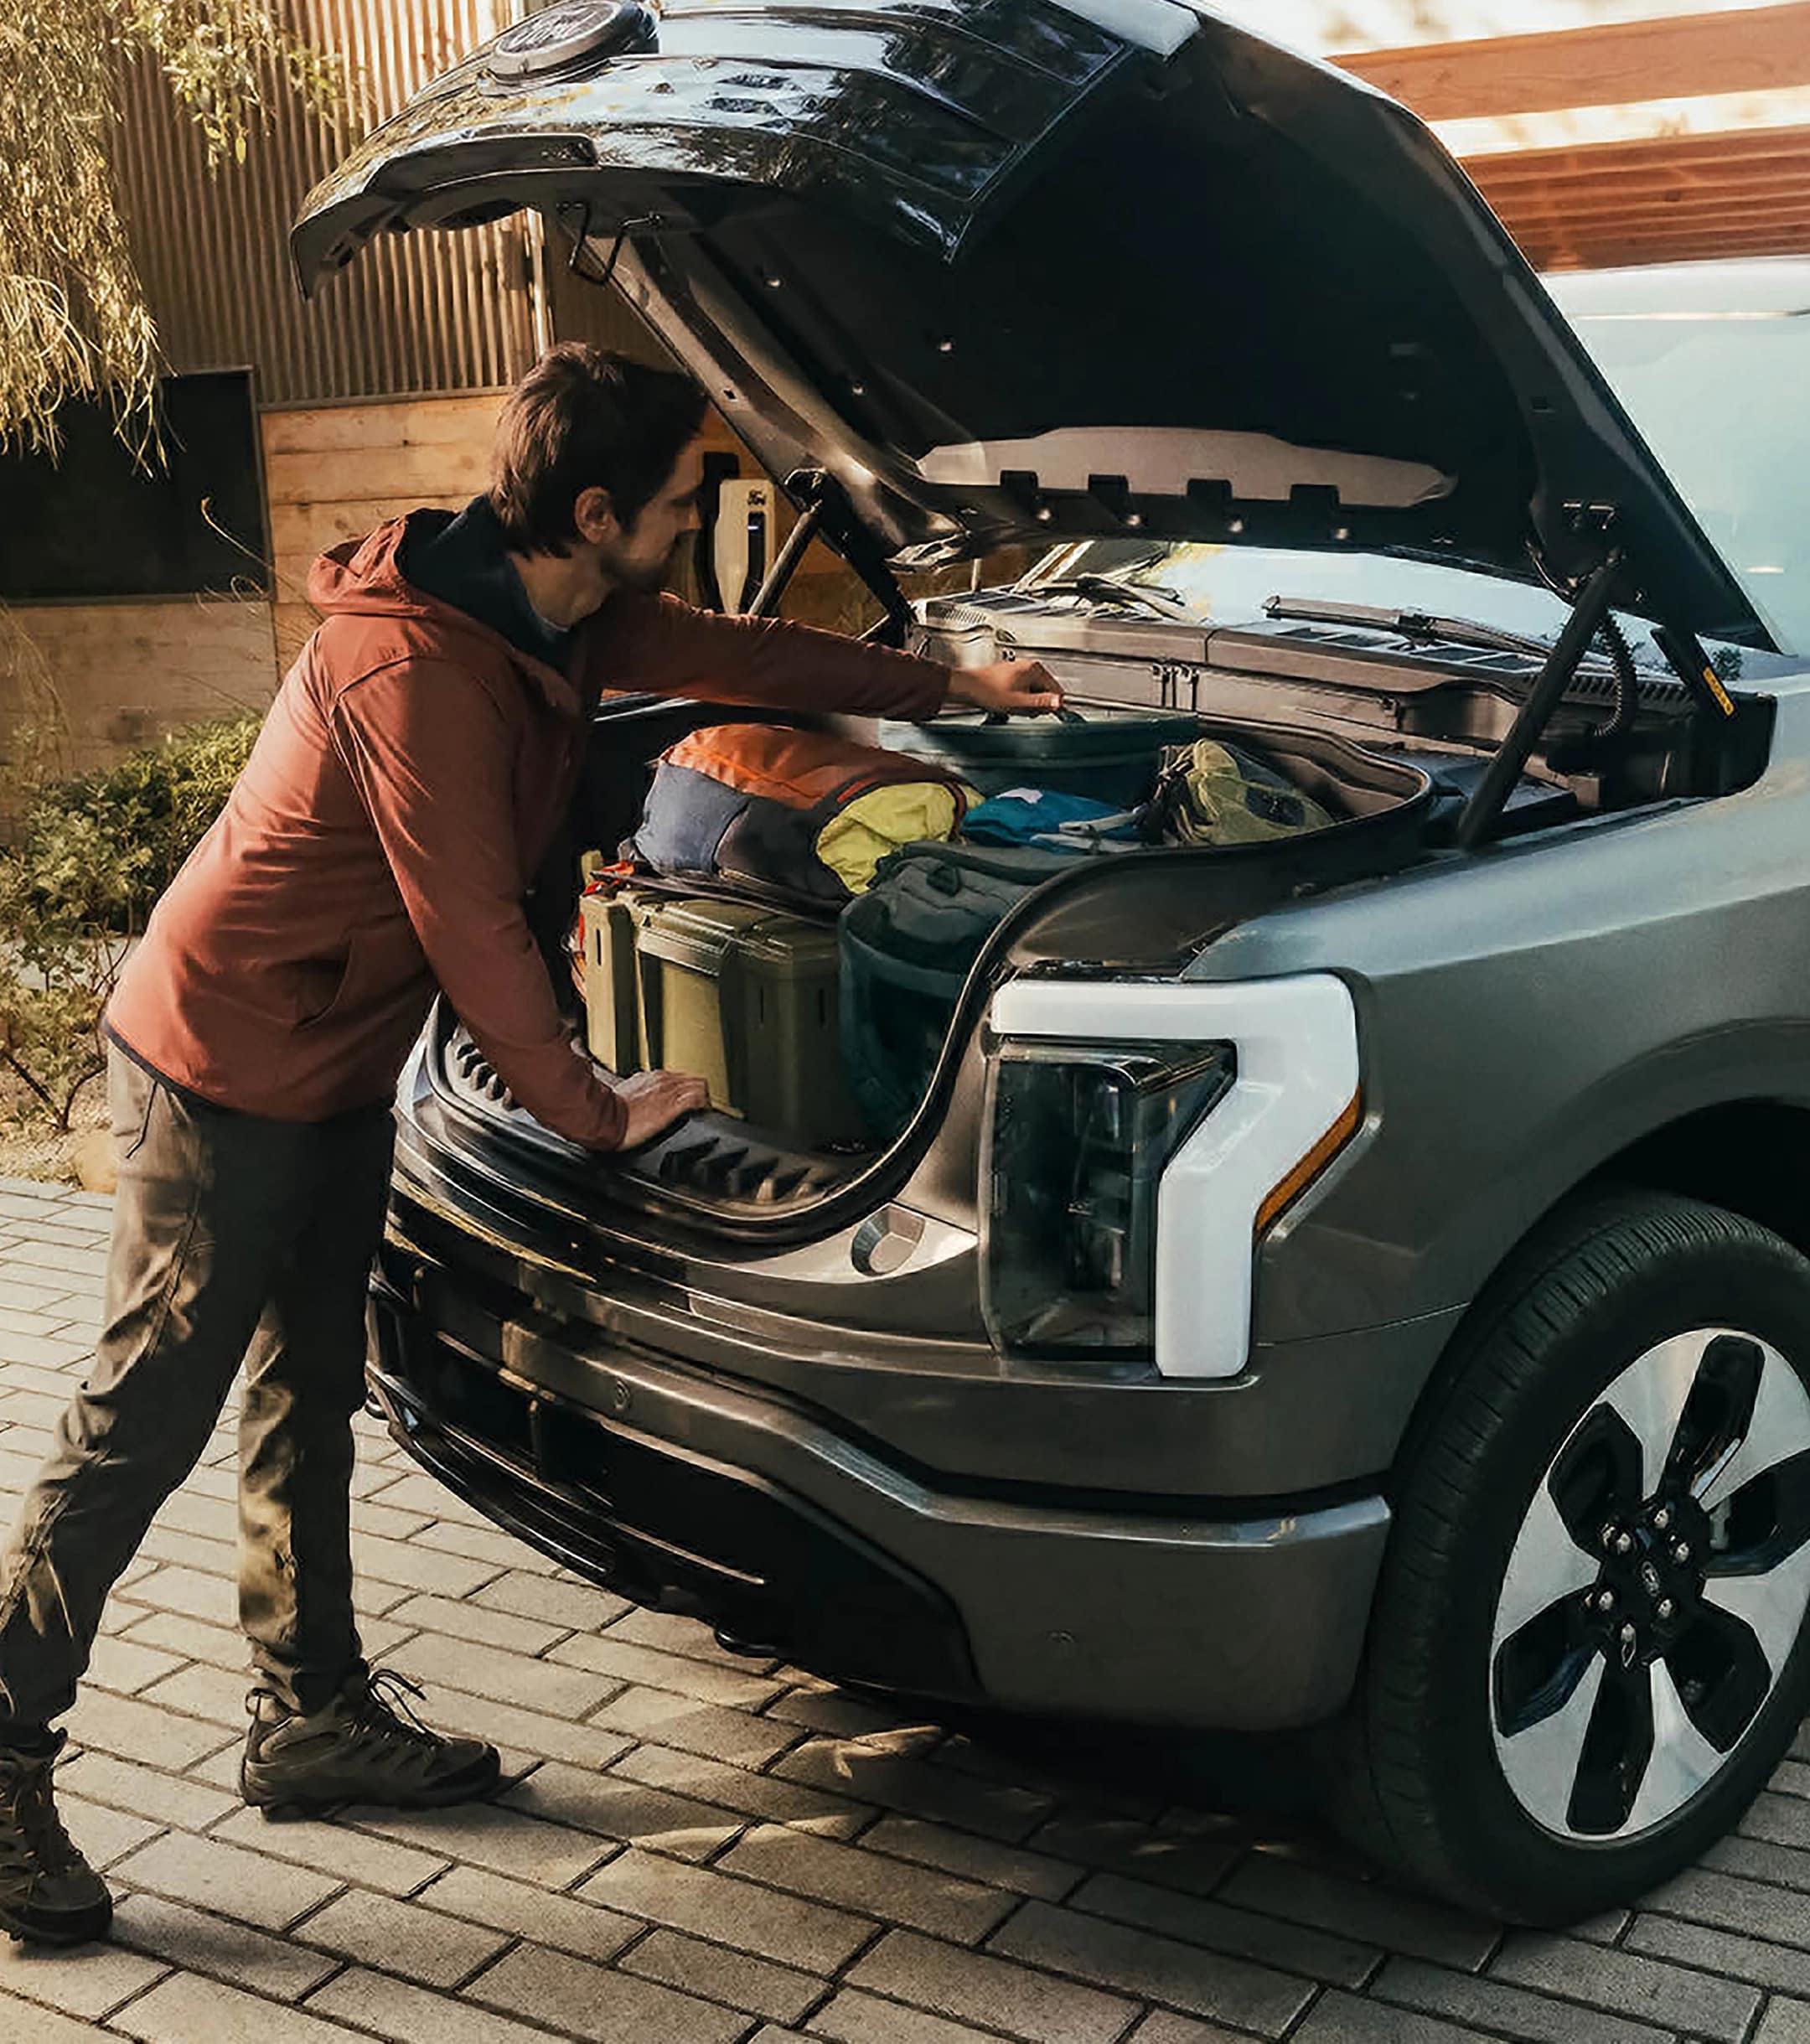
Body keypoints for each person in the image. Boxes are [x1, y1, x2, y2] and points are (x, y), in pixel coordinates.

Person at [0, 344, 1063, 1943]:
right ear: (595, 512)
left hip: (332, 1060)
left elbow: (744, 655)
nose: (696, 519)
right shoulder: (414, 668)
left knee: (308, 1392)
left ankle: (310, 1716)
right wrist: (591, 1103)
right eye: (682, 499)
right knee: (139, 1421)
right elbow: (471, 922)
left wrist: (955, 689)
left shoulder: (556, 607)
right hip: (225, 1061)